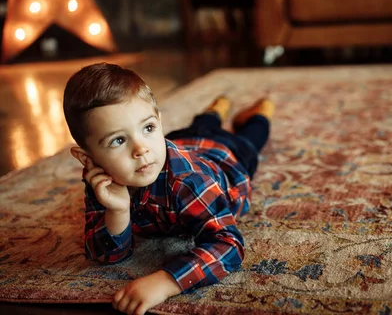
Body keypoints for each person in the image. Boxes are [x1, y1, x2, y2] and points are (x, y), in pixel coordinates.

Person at [62, 62, 274, 315]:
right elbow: (106, 255)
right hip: (184, 138)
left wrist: (166, 282)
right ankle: (216, 109)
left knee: (253, 136)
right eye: (118, 140)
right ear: (87, 158)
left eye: (149, 128)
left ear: (159, 122)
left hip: (225, 155)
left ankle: (261, 110)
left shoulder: (190, 181)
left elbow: (228, 244)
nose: (141, 149)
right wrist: (117, 210)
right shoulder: (100, 178)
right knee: (200, 126)